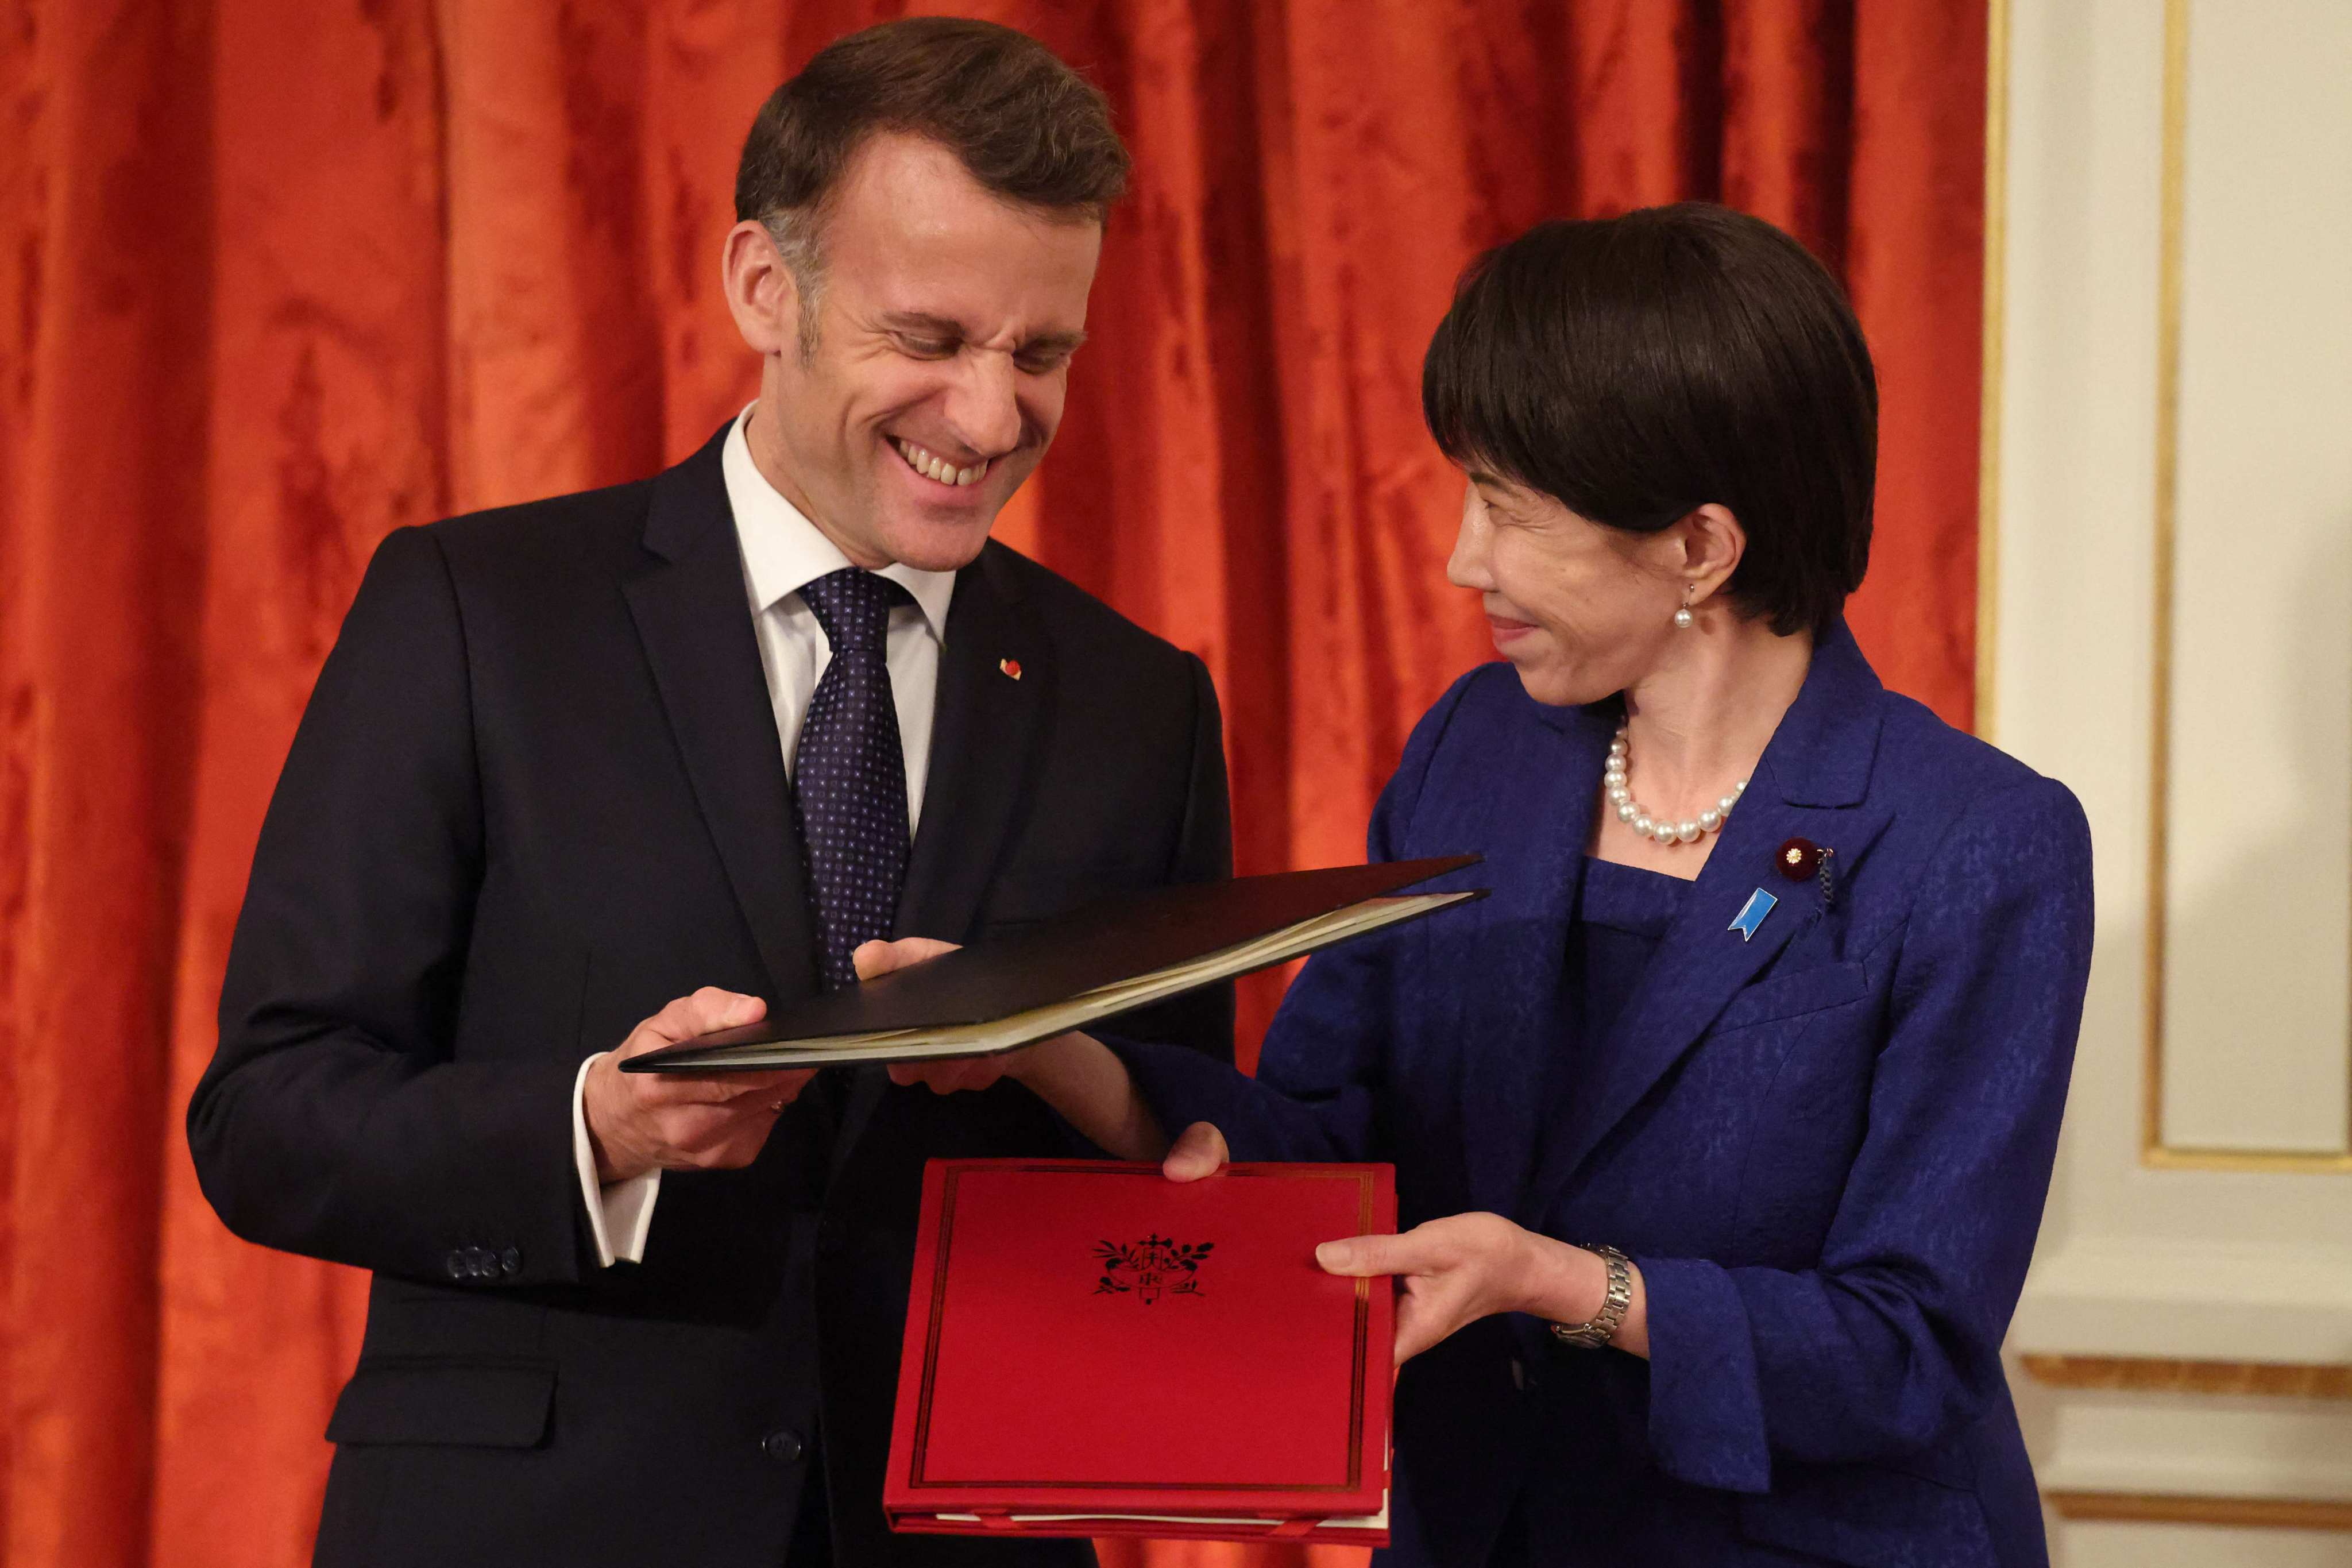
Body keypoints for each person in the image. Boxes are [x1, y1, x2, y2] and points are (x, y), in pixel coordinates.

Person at [876, 204, 2093, 1567]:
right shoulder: (1478, 747)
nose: (1463, 559)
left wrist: (1564, 1286)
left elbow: (1909, 1348)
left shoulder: (1975, 842)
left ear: (1699, 548)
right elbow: (1325, 1150)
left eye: (1509, 512)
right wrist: (1042, 1049)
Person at [187, 18, 1230, 1567]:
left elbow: (1186, 1160)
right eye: (929, 338)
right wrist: (601, 1122)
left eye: (1041, 354)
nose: (990, 416)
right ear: (763, 286)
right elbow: (268, 1117)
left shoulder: (1139, 704)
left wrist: (1069, 1075)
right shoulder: (477, 610)